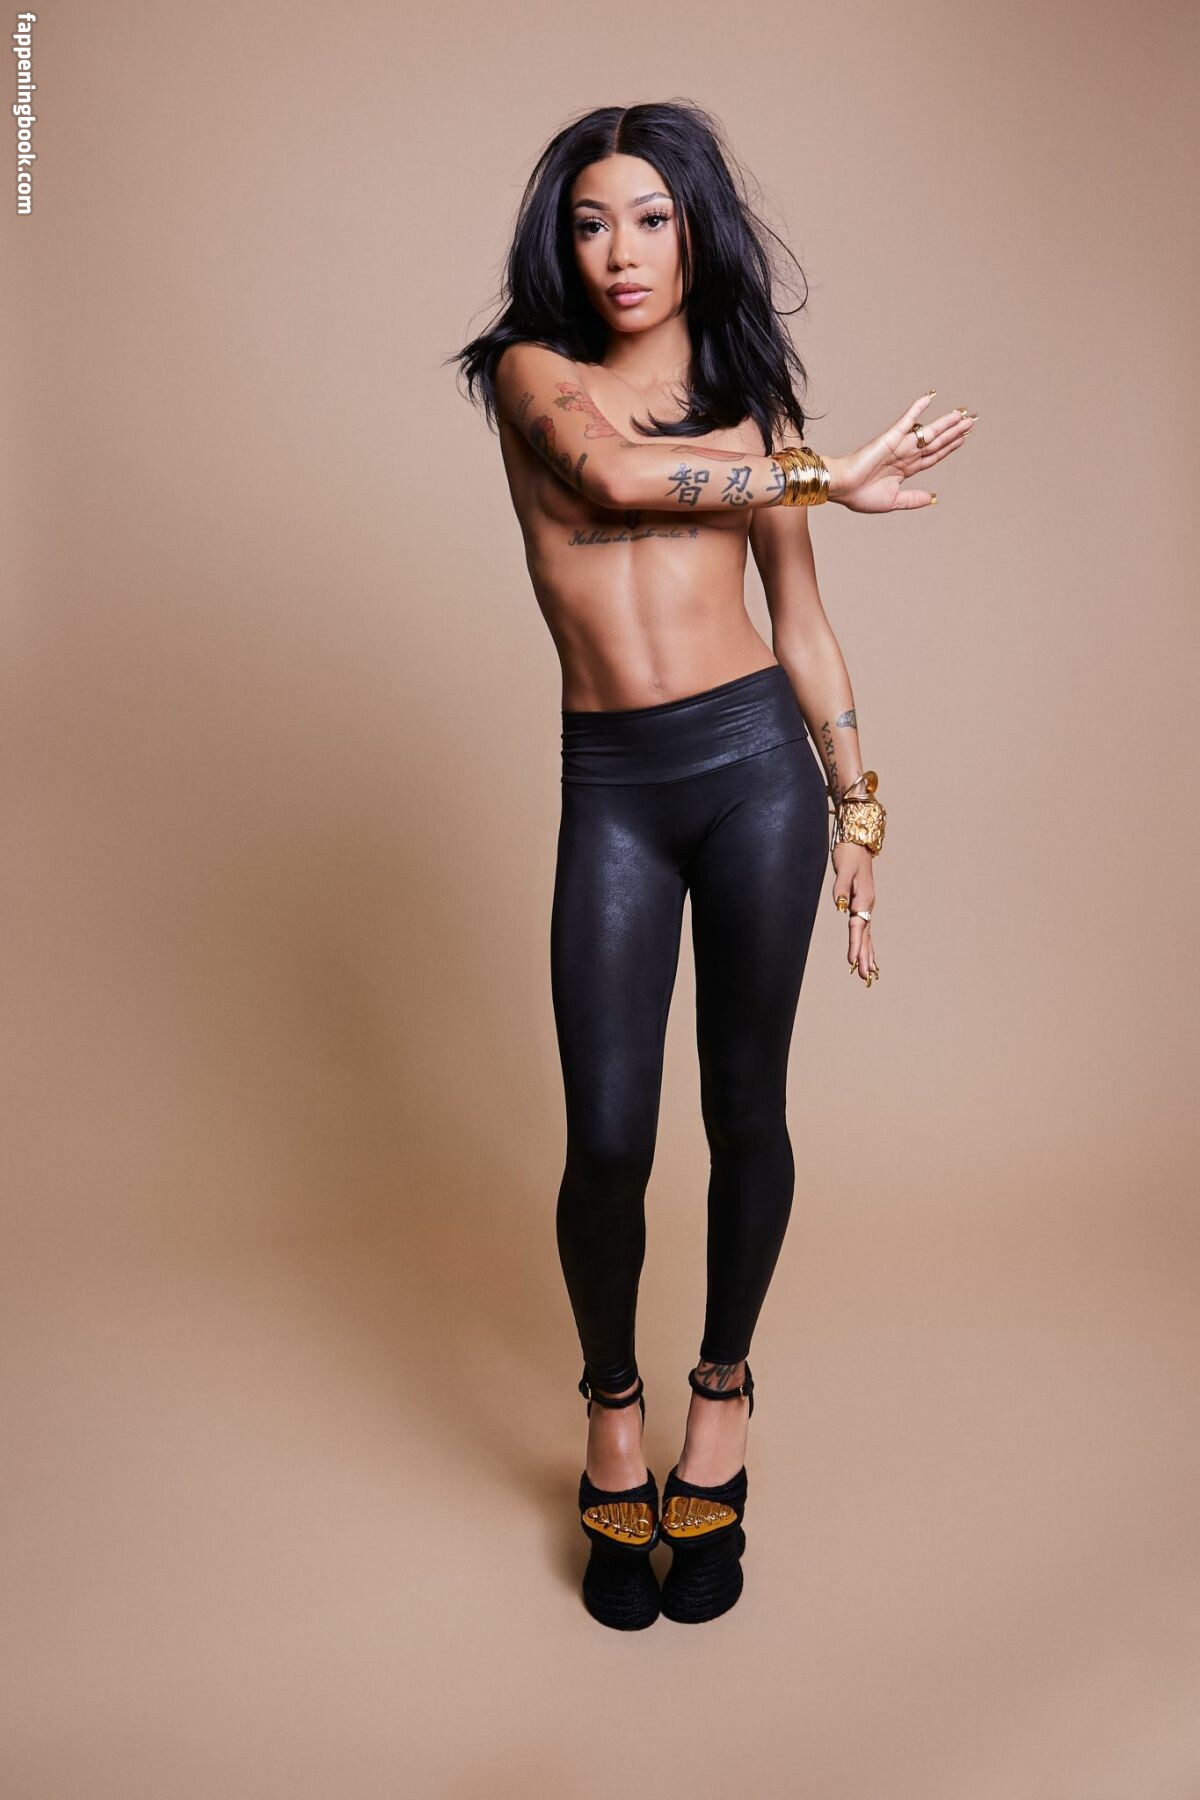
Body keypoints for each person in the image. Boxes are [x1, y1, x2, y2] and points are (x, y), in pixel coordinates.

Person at [449, 100, 976, 1630]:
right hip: (613, 787)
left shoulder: (750, 401)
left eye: (651, 218)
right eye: (592, 222)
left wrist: (858, 810)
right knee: (609, 1141)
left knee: (747, 1111)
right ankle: (612, 1411)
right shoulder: (532, 375)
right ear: (563, 242)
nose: (620, 251)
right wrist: (822, 477)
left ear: (695, 232)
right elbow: (616, 480)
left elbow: (799, 622)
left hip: (756, 775)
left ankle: (722, 1401)